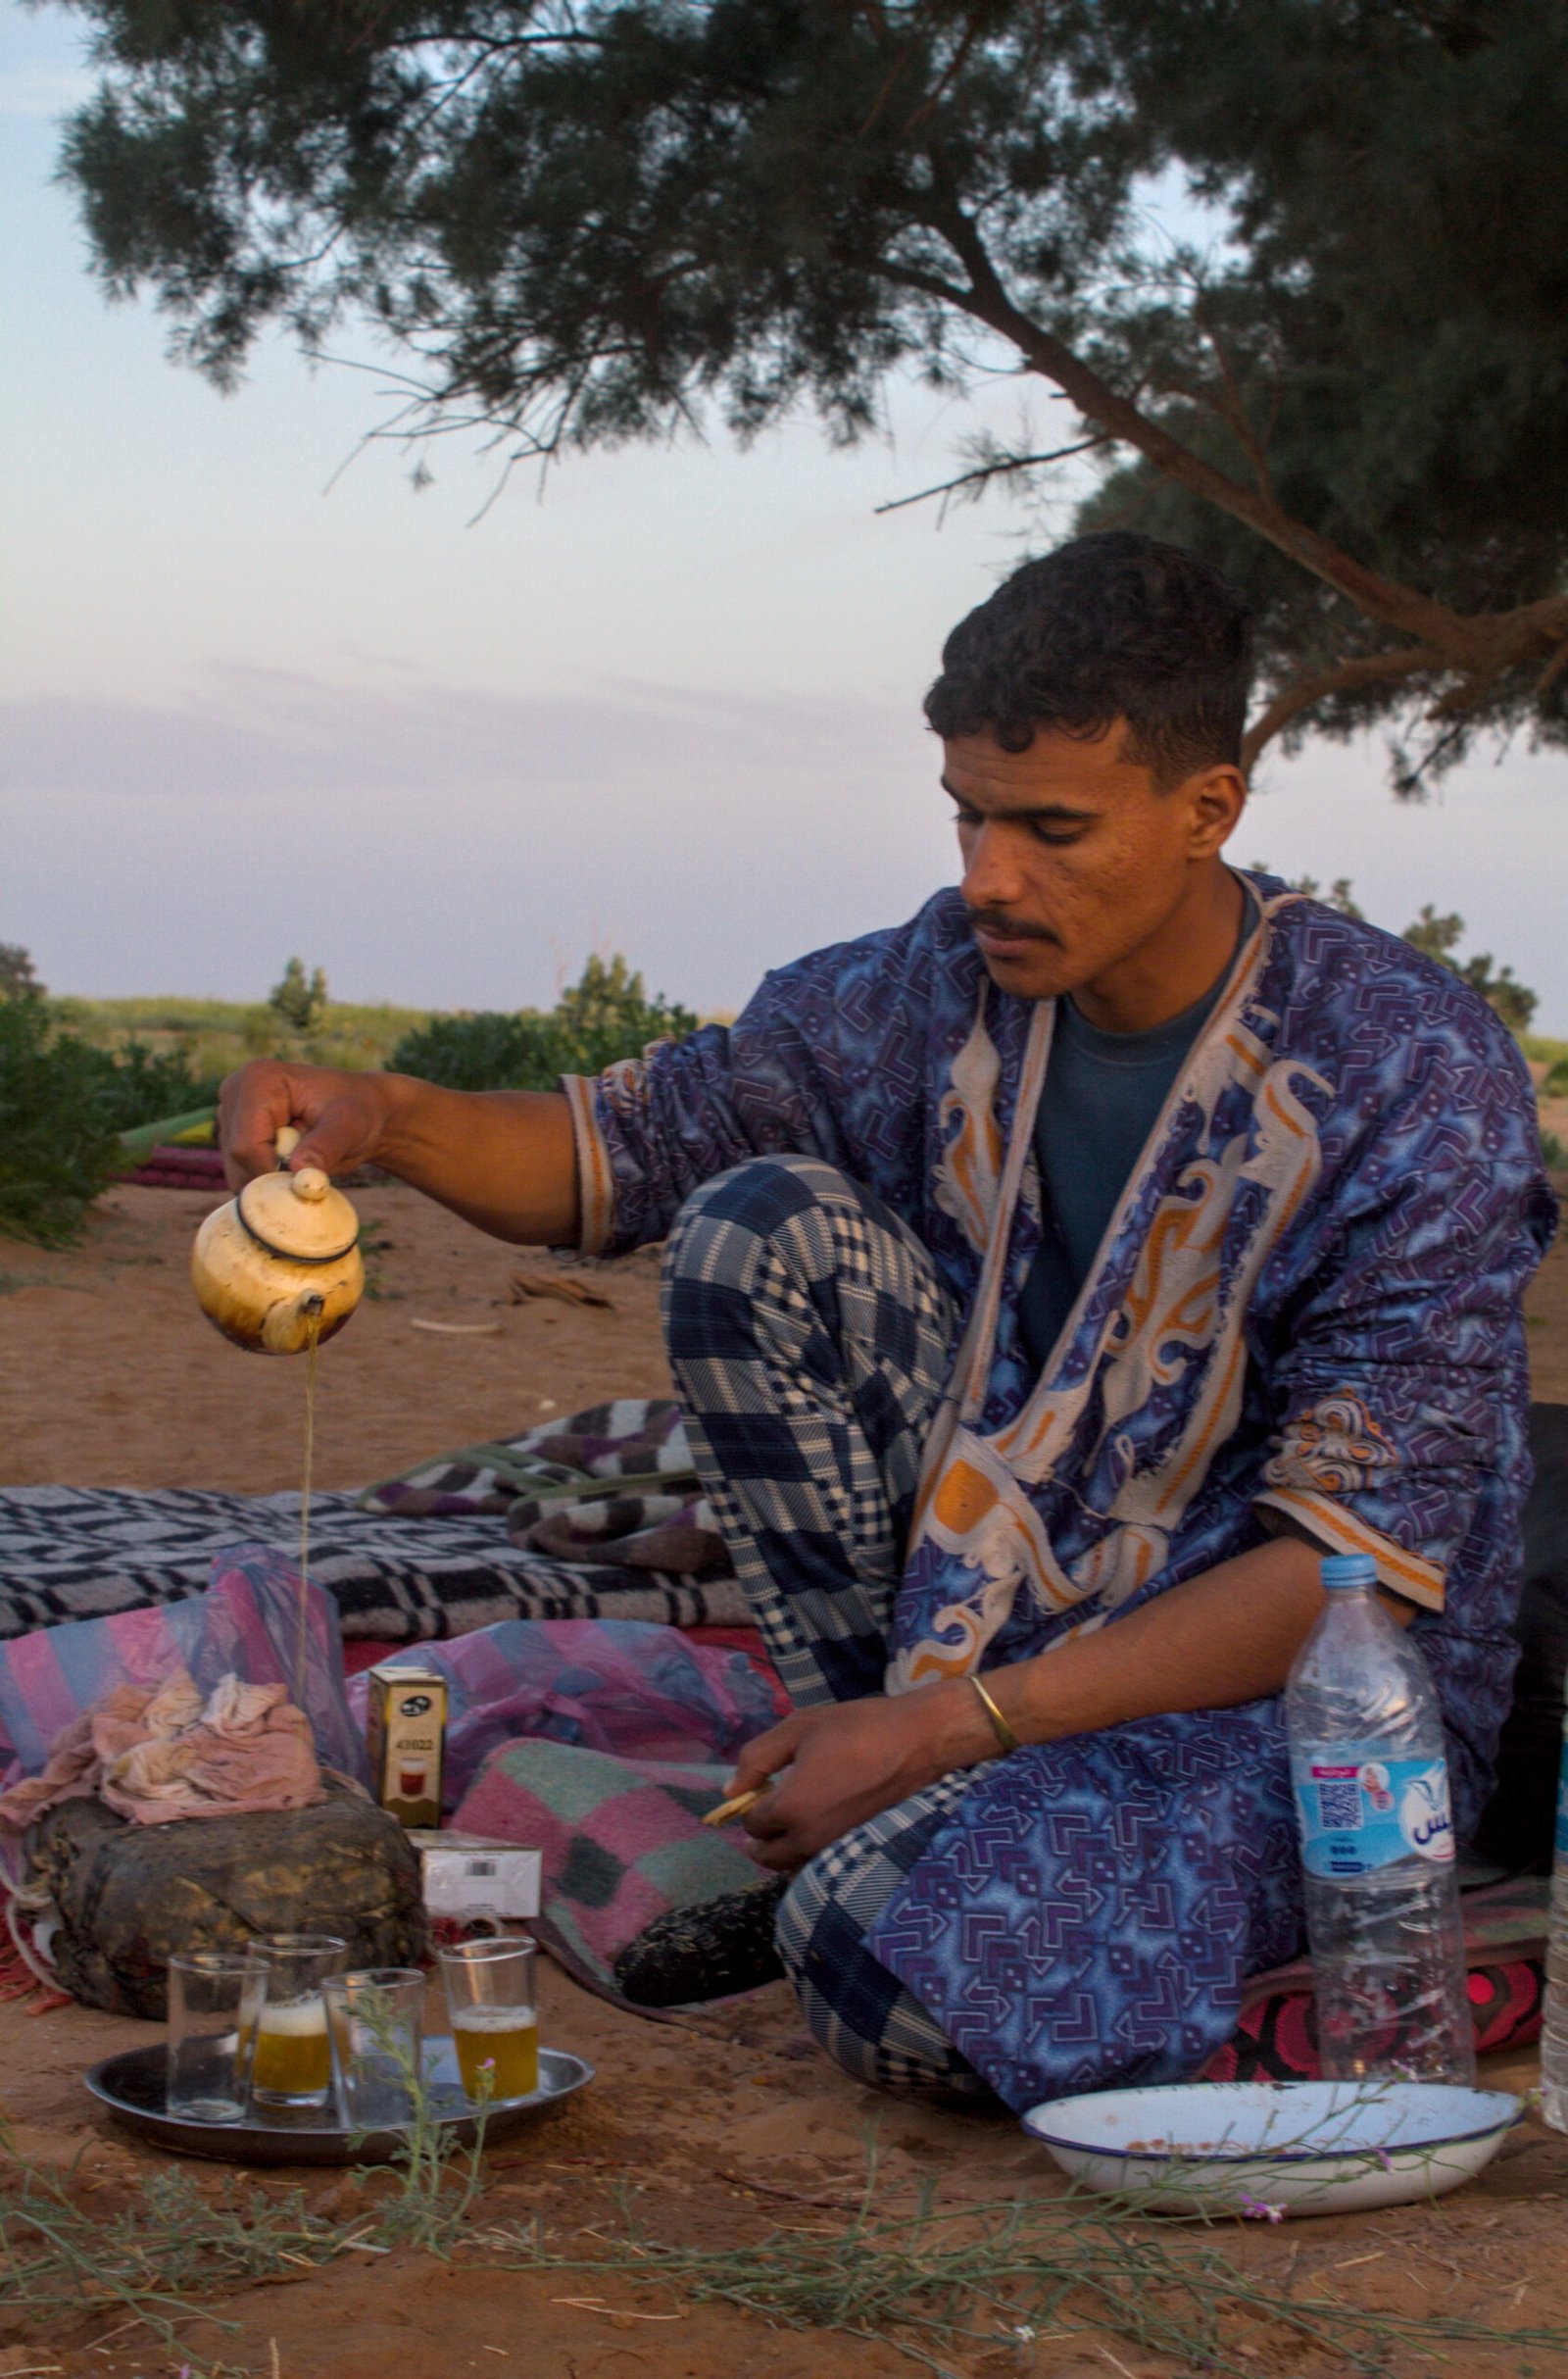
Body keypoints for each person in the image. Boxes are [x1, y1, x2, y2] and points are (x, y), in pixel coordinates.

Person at [221, 531, 1556, 2110]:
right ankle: (857, 1766)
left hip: (1289, 1700)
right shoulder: (927, 991)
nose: (990, 874)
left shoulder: (1417, 1073)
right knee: (754, 1232)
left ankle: (901, 1815)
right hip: (970, 1639)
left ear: (1209, 812)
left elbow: (1348, 1575)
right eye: (970, 816)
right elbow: (614, 1151)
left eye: (1050, 827)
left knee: (881, 1961)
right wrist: (382, 1115)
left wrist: (952, 1729)